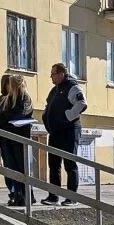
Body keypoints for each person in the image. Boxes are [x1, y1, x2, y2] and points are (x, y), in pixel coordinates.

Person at [41, 63, 88, 206]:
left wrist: (67, 116)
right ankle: (53, 196)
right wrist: (46, 118)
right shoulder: (54, 90)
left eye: (53, 74)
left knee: (69, 163)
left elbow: (81, 104)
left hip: (69, 131)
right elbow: (48, 106)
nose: (51, 77)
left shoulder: (72, 87)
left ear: (61, 74)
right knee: (53, 165)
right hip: (55, 132)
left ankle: (71, 197)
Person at [0, 74, 34, 207]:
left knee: (22, 168)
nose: (8, 86)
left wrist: (6, 118)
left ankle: (26, 195)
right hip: (6, 140)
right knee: (11, 169)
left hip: (20, 139)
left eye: (10, 84)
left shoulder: (25, 98)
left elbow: (19, 113)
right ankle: (17, 194)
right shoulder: (3, 100)